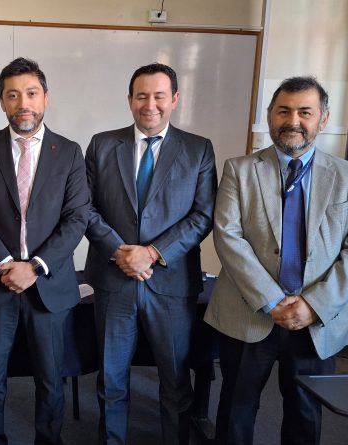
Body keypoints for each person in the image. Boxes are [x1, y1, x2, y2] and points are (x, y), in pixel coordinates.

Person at [204, 76, 348, 445]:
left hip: (317, 319)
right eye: (283, 111)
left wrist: (314, 305)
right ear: (270, 115)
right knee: (236, 410)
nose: (293, 121)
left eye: (305, 112)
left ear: (323, 119)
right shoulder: (239, 170)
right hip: (249, 312)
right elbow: (228, 236)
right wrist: (271, 300)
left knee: (305, 414)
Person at [0, 57, 90, 445]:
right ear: (2, 101)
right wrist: (4, 263)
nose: (23, 103)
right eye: (13, 95)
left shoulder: (69, 152)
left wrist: (34, 267)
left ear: (45, 97)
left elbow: (77, 218)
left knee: (50, 378)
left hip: (49, 284)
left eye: (31, 93)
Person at [84, 62, 217, 445]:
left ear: (174, 99)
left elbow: (203, 214)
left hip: (172, 283)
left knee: (175, 380)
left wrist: (154, 253)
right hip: (114, 279)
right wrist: (121, 252)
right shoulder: (102, 145)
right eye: (141, 96)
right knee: (111, 380)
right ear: (130, 100)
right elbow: (84, 208)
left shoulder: (198, 149)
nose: (150, 104)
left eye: (159, 96)